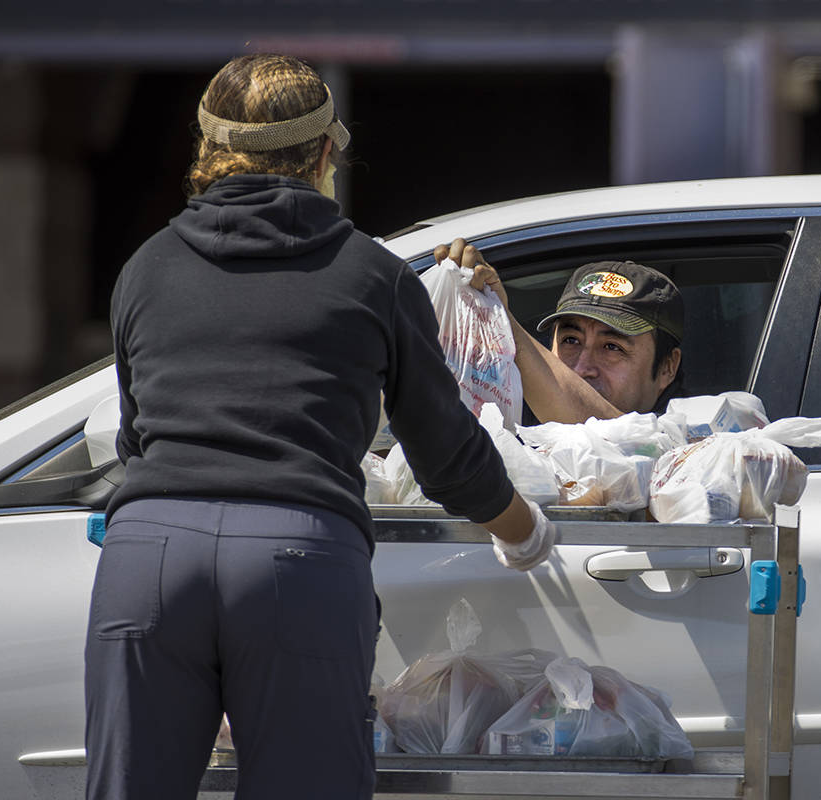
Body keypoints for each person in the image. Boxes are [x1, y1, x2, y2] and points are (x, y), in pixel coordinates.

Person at [85, 54, 553, 800]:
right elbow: (447, 456)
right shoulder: (372, 276)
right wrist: (524, 528)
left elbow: (135, 437)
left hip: (150, 561)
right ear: (325, 153)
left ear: (207, 149)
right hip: (294, 561)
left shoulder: (145, 268)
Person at [432, 238, 685, 425]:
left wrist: (503, 326)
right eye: (571, 340)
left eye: (612, 347)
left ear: (667, 368)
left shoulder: (685, 451)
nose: (582, 369)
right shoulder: (514, 422)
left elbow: (615, 436)